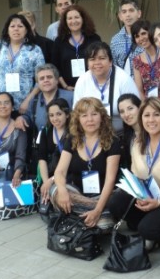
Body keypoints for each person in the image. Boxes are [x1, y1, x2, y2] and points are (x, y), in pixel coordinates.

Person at [108, 97, 160, 251]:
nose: (151, 120)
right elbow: (134, 173)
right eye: (146, 115)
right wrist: (140, 196)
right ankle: (148, 227)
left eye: (156, 115)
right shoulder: (138, 143)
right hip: (148, 196)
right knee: (116, 203)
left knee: (147, 229)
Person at [51, 97, 121, 230]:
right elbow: (60, 171)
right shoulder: (72, 139)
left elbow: (110, 180)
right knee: (54, 190)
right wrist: (62, 191)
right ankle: (94, 215)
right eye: (84, 115)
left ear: (102, 117)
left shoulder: (112, 141)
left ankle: (84, 215)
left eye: (94, 114)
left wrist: (98, 209)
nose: (90, 120)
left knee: (109, 213)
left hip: (103, 195)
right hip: (78, 193)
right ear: (78, 119)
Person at [0, 13, 45, 111]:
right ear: (7, 29)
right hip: (0, 103)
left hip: (24, 103)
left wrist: (28, 101)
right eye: (12, 26)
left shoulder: (34, 50)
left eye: (20, 26)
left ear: (27, 30)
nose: (16, 29)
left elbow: (40, 79)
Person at [73, 42, 140, 132]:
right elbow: (77, 112)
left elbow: (136, 110)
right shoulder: (82, 81)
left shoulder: (124, 79)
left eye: (102, 58)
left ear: (110, 61)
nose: (97, 63)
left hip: (121, 134)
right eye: (92, 59)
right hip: (92, 134)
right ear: (87, 63)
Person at [51, 4, 102, 107]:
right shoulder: (59, 41)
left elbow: (99, 62)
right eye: (69, 18)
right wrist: (65, 86)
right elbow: (55, 66)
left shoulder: (94, 39)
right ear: (65, 22)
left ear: (83, 19)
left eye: (76, 17)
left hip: (91, 87)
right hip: (67, 90)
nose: (73, 21)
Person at [37, 98, 71, 208]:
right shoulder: (45, 132)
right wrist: (46, 181)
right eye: (51, 115)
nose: (55, 118)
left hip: (69, 174)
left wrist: (52, 180)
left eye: (59, 114)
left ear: (67, 114)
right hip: (51, 173)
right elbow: (42, 159)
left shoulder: (74, 132)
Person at [131, 20, 160, 105]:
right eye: (137, 36)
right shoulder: (137, 61)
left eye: (143, 33)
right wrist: (148, 107)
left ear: (151, 32)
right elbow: (139, 90)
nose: (141, 38)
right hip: (150, 107)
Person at [110, 0, 144, 75]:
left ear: (139, 13)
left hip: (145, 84)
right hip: (124, 85)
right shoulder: (115, 41)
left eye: (131, 10)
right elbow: (114, 67)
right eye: (124, 12)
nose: (128, 15)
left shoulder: (148, 36)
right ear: (120, 16)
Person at [117, 93, 142, 170]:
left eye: (130, 108)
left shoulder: (153, 133)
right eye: (122, 111)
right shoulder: (127, 138)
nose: (126, 114)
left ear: (140, 108)